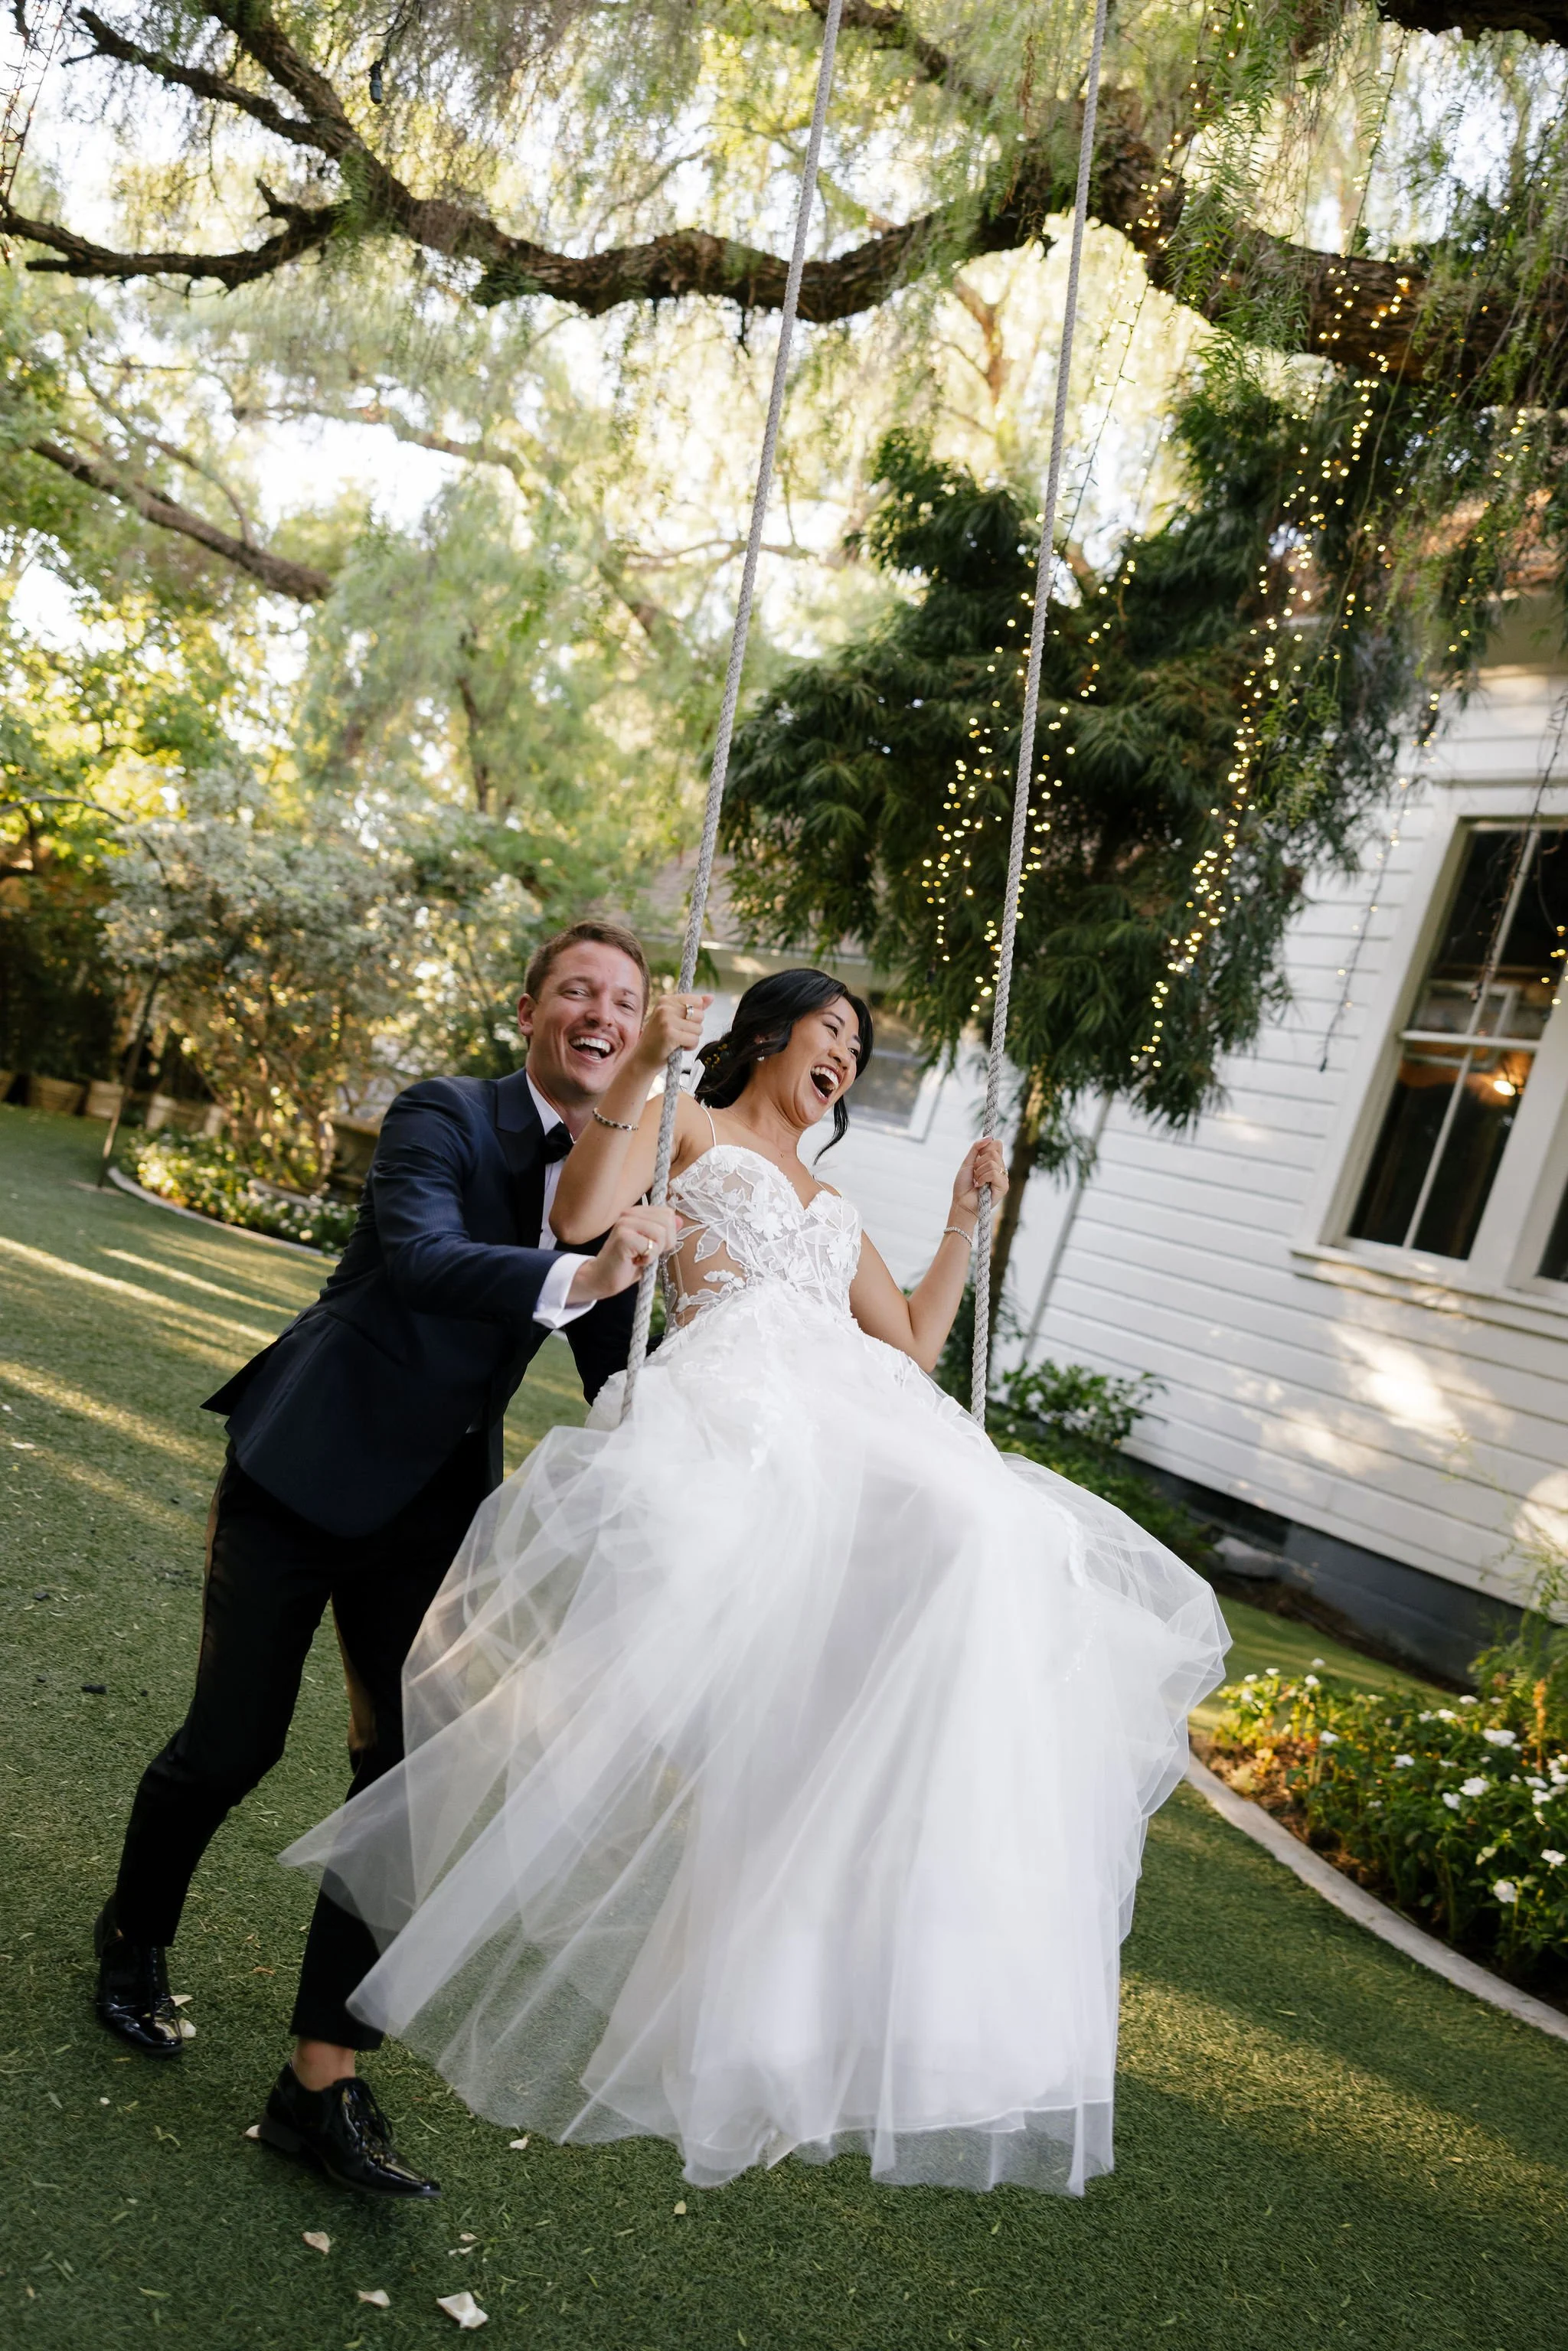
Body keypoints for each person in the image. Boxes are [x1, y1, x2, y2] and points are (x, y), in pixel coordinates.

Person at [285, 968, 1228, 2196]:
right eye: (834, 1030)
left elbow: (916, 1347)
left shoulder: (837, 1202)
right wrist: (644, 1067)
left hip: (857, 1404)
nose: (849, 1054)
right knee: (881, 1539)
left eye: (862, 1047)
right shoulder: (693, 1118)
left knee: (1002, 1534)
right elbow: (580, 1211)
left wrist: (962, 1221)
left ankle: (885, 1821)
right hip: (738, 1393)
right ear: (770, 1036)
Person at [92, 920, 681, 2199]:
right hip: (299, 1471)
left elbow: (617, 1370)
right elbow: (419, 1259)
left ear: (640, 1034)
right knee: (232, 1743)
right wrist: (578, 1269)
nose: (600, 1010)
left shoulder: (621, 1180)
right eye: (576, 988)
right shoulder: (443, 1115)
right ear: (529, 1008)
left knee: (404, 1786)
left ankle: (321, 2080)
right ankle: (133, 1933)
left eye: (624, 1000)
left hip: (429, 1514)